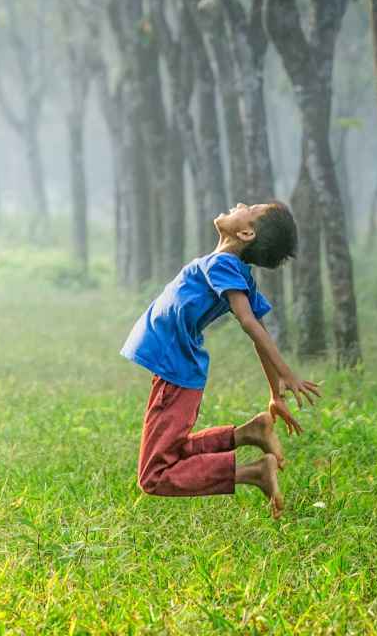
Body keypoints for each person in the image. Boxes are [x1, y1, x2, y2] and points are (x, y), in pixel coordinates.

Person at [120, 201, 319, 518]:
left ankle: (253, 473)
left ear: (245, 232)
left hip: (176, 372)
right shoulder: (231, 268)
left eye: (250, 208)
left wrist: (286, 374)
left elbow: (251, 323)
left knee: (154, 475)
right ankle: (248, 434)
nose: (240, 204)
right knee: (173, 451)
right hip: (176, 370)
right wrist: (274, 393)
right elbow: (259, 330)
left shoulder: (225, 265)